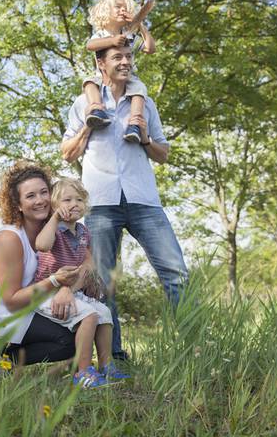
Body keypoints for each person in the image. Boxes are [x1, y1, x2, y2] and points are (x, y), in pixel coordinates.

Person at [61, 44, 188, 360]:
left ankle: (194, 346)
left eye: (129, 57)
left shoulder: (144, 105)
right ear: (100, 63)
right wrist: (87, 131)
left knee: (176, 273)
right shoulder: (83, 104)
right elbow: (67, 153)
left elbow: (163, 154)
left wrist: (145, 139)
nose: (126, 62)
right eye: (118, 57)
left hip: (143, 199)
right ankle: (113, 357)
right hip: (101, 201)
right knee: (103, 283)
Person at [0, 162, 81, 365]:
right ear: (17, 205)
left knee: (75, 336)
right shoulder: (9, 239)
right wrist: (55, 281)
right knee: (67, 340)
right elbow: (10, 300)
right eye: (30, 196)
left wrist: (67, 288)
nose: (40, 201)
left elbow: (87, 261)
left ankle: (6, 360)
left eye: (44, 192)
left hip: (22, 311)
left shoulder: (55, 230)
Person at [34, 177, 130, 387]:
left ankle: (106, 365)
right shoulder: (53, 229)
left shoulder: (83, 231)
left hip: (71, 290)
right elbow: (41, 245)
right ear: (55, 206)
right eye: (67, 200)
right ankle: (83, 371)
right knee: (89, 315)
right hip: (47, 291)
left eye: (79, 199)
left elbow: (89, 265)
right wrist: (54, 218)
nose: (74, 204)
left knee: (104, 314)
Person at [83, 0, 156, 144]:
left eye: (126, 8)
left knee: (139, 89)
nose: (123, 10)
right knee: (89, 83)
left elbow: (150, 48)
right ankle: (97, 110)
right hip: (102, 77)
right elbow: (90, 45)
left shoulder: (130, 35)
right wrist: (111, 41)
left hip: (127, 77)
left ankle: (134, 124)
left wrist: (140, 25)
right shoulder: (102, 34)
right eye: (118, 7)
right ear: (105, 11)